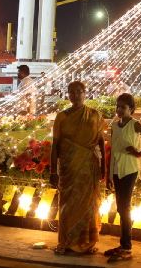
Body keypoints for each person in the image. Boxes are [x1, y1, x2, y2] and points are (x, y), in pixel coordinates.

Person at [49, 81, 107, 255]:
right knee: (67, 205)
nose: (75, 95)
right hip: (68, 169)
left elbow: (101, 142)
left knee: (88, 205)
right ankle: (66, 242)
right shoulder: (62, 117)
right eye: (71, 92)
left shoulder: (94, 115)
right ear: (68, 95)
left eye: (78, 92)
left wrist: (104, 165)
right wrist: (53, 171)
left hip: (88, 168)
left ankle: (87, 242)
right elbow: (55, 145)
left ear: (85, 93)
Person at [104, 93, 141, 262]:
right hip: (117, 170)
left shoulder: (135, 125)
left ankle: (127, 247)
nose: (119, 110)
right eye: (118, 106)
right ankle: (123, 245)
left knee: (124, 208)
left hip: (129, 170)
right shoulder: (114, 125)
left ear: (131, 110)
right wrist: (108, 174)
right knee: (121, 208)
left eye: (123, 107)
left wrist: (139, 153)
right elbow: (113, 151)